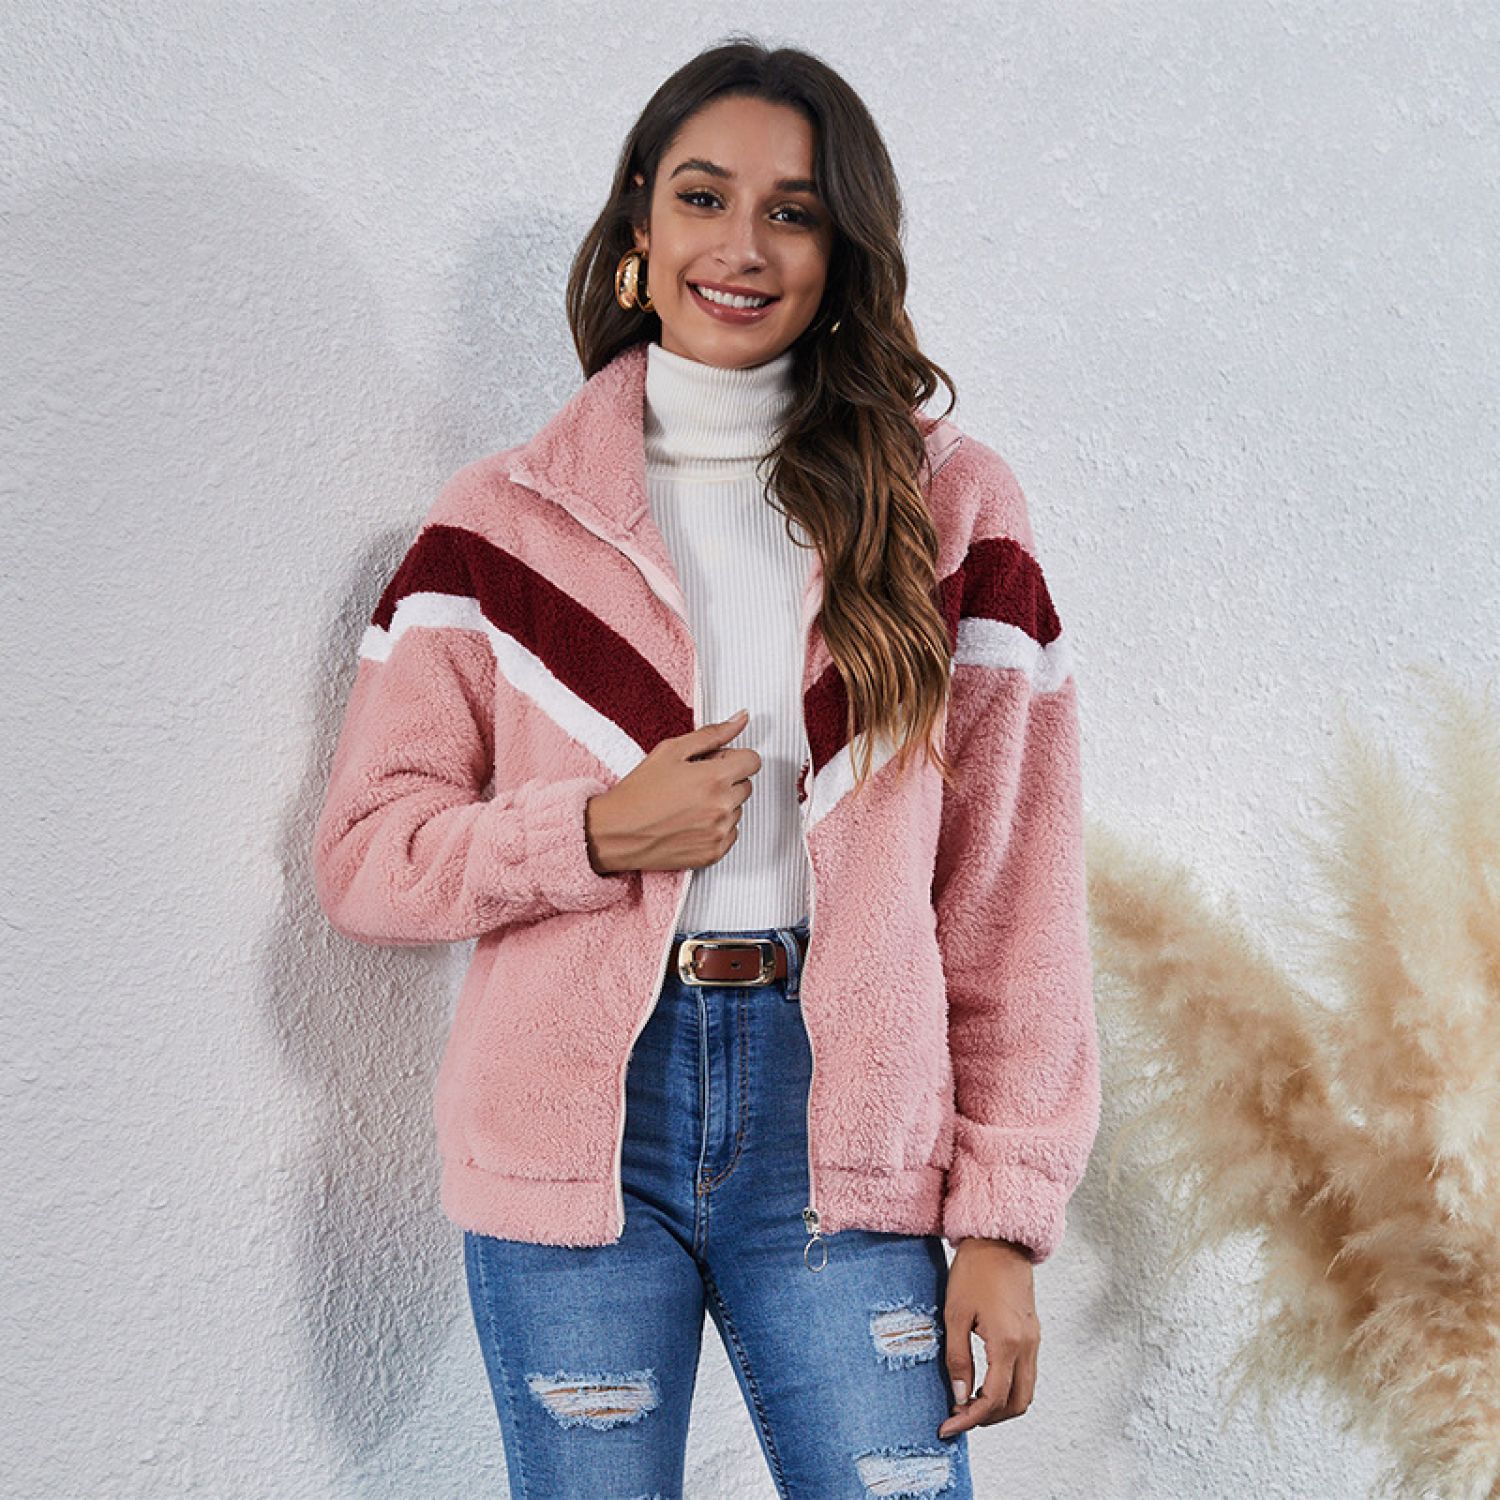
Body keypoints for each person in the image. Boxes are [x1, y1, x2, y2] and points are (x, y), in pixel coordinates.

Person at [311, 37, 1100, 1500]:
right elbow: (367, 856)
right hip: (574, 1127)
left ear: (845, 249)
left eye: (793, 211)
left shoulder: (952, 511)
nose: (741, 246)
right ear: (639, 219)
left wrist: (1003, 1219)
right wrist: (595, 833)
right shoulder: (499, 527)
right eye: (702, 196)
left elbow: (1011, 895)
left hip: (847, 1117)